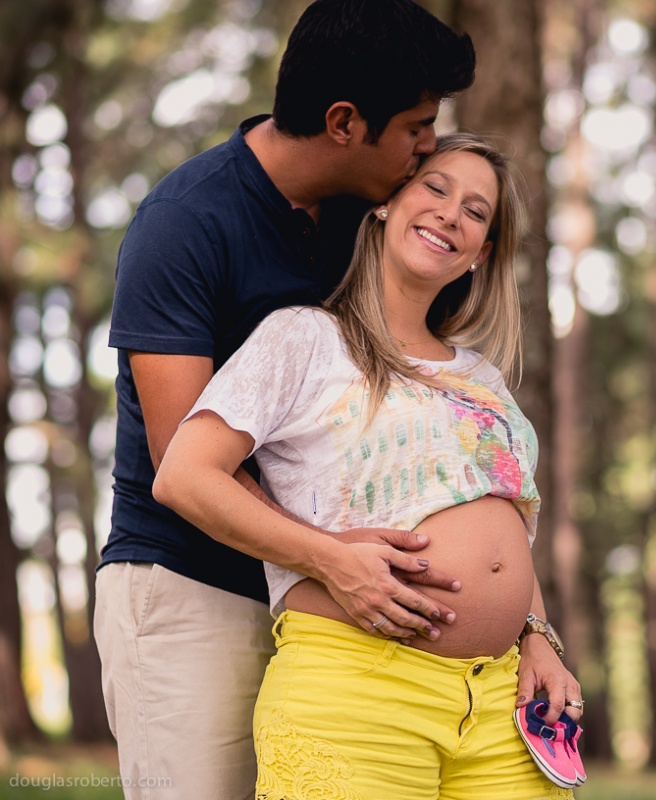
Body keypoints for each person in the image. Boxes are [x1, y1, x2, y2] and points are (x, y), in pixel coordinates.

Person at [95, 2, 568, 797]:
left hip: (335, 606)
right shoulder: (184, 225)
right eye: (418, 130)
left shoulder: (366, 205)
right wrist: (332, 561)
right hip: (194, 585)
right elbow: (185, 466)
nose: (428, 148)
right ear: (345, 122)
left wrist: (528, 625)